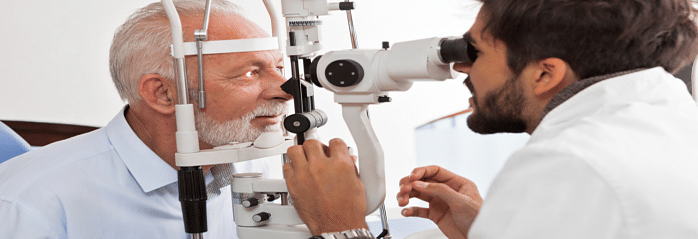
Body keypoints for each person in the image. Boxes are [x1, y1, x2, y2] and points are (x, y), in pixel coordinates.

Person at [283, 0, 698, 238]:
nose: (463, 69)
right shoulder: (669, 123)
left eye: (473, 51)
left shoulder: (569, 164)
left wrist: (340, 226)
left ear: (544, 74)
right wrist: (492, 229)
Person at [0, 0, 291, 238]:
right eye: (250, 73)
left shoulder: (270, 167)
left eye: (279, 67)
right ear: (162, 93)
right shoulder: (33, 203)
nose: (285, 91)